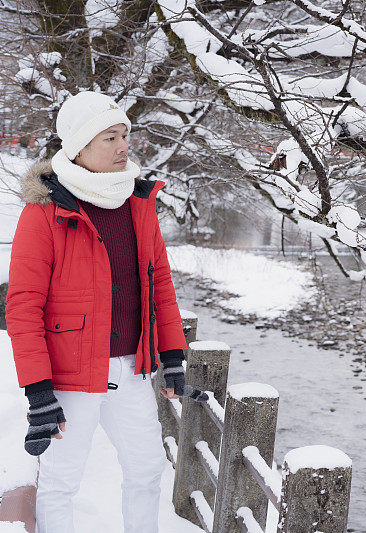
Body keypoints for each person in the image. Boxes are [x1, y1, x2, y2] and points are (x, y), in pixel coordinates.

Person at [5, 91, 207, 533]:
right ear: (78, 148)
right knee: (61, 481)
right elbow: (23, 308)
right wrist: (38, 392)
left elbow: (160, 286)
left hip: (131, 369)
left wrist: (172, 358)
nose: (123, 147)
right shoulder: (45, 213)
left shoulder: (138, 203)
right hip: (71, 373)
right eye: (109, 138)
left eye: (125, 135)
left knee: (147, 468)